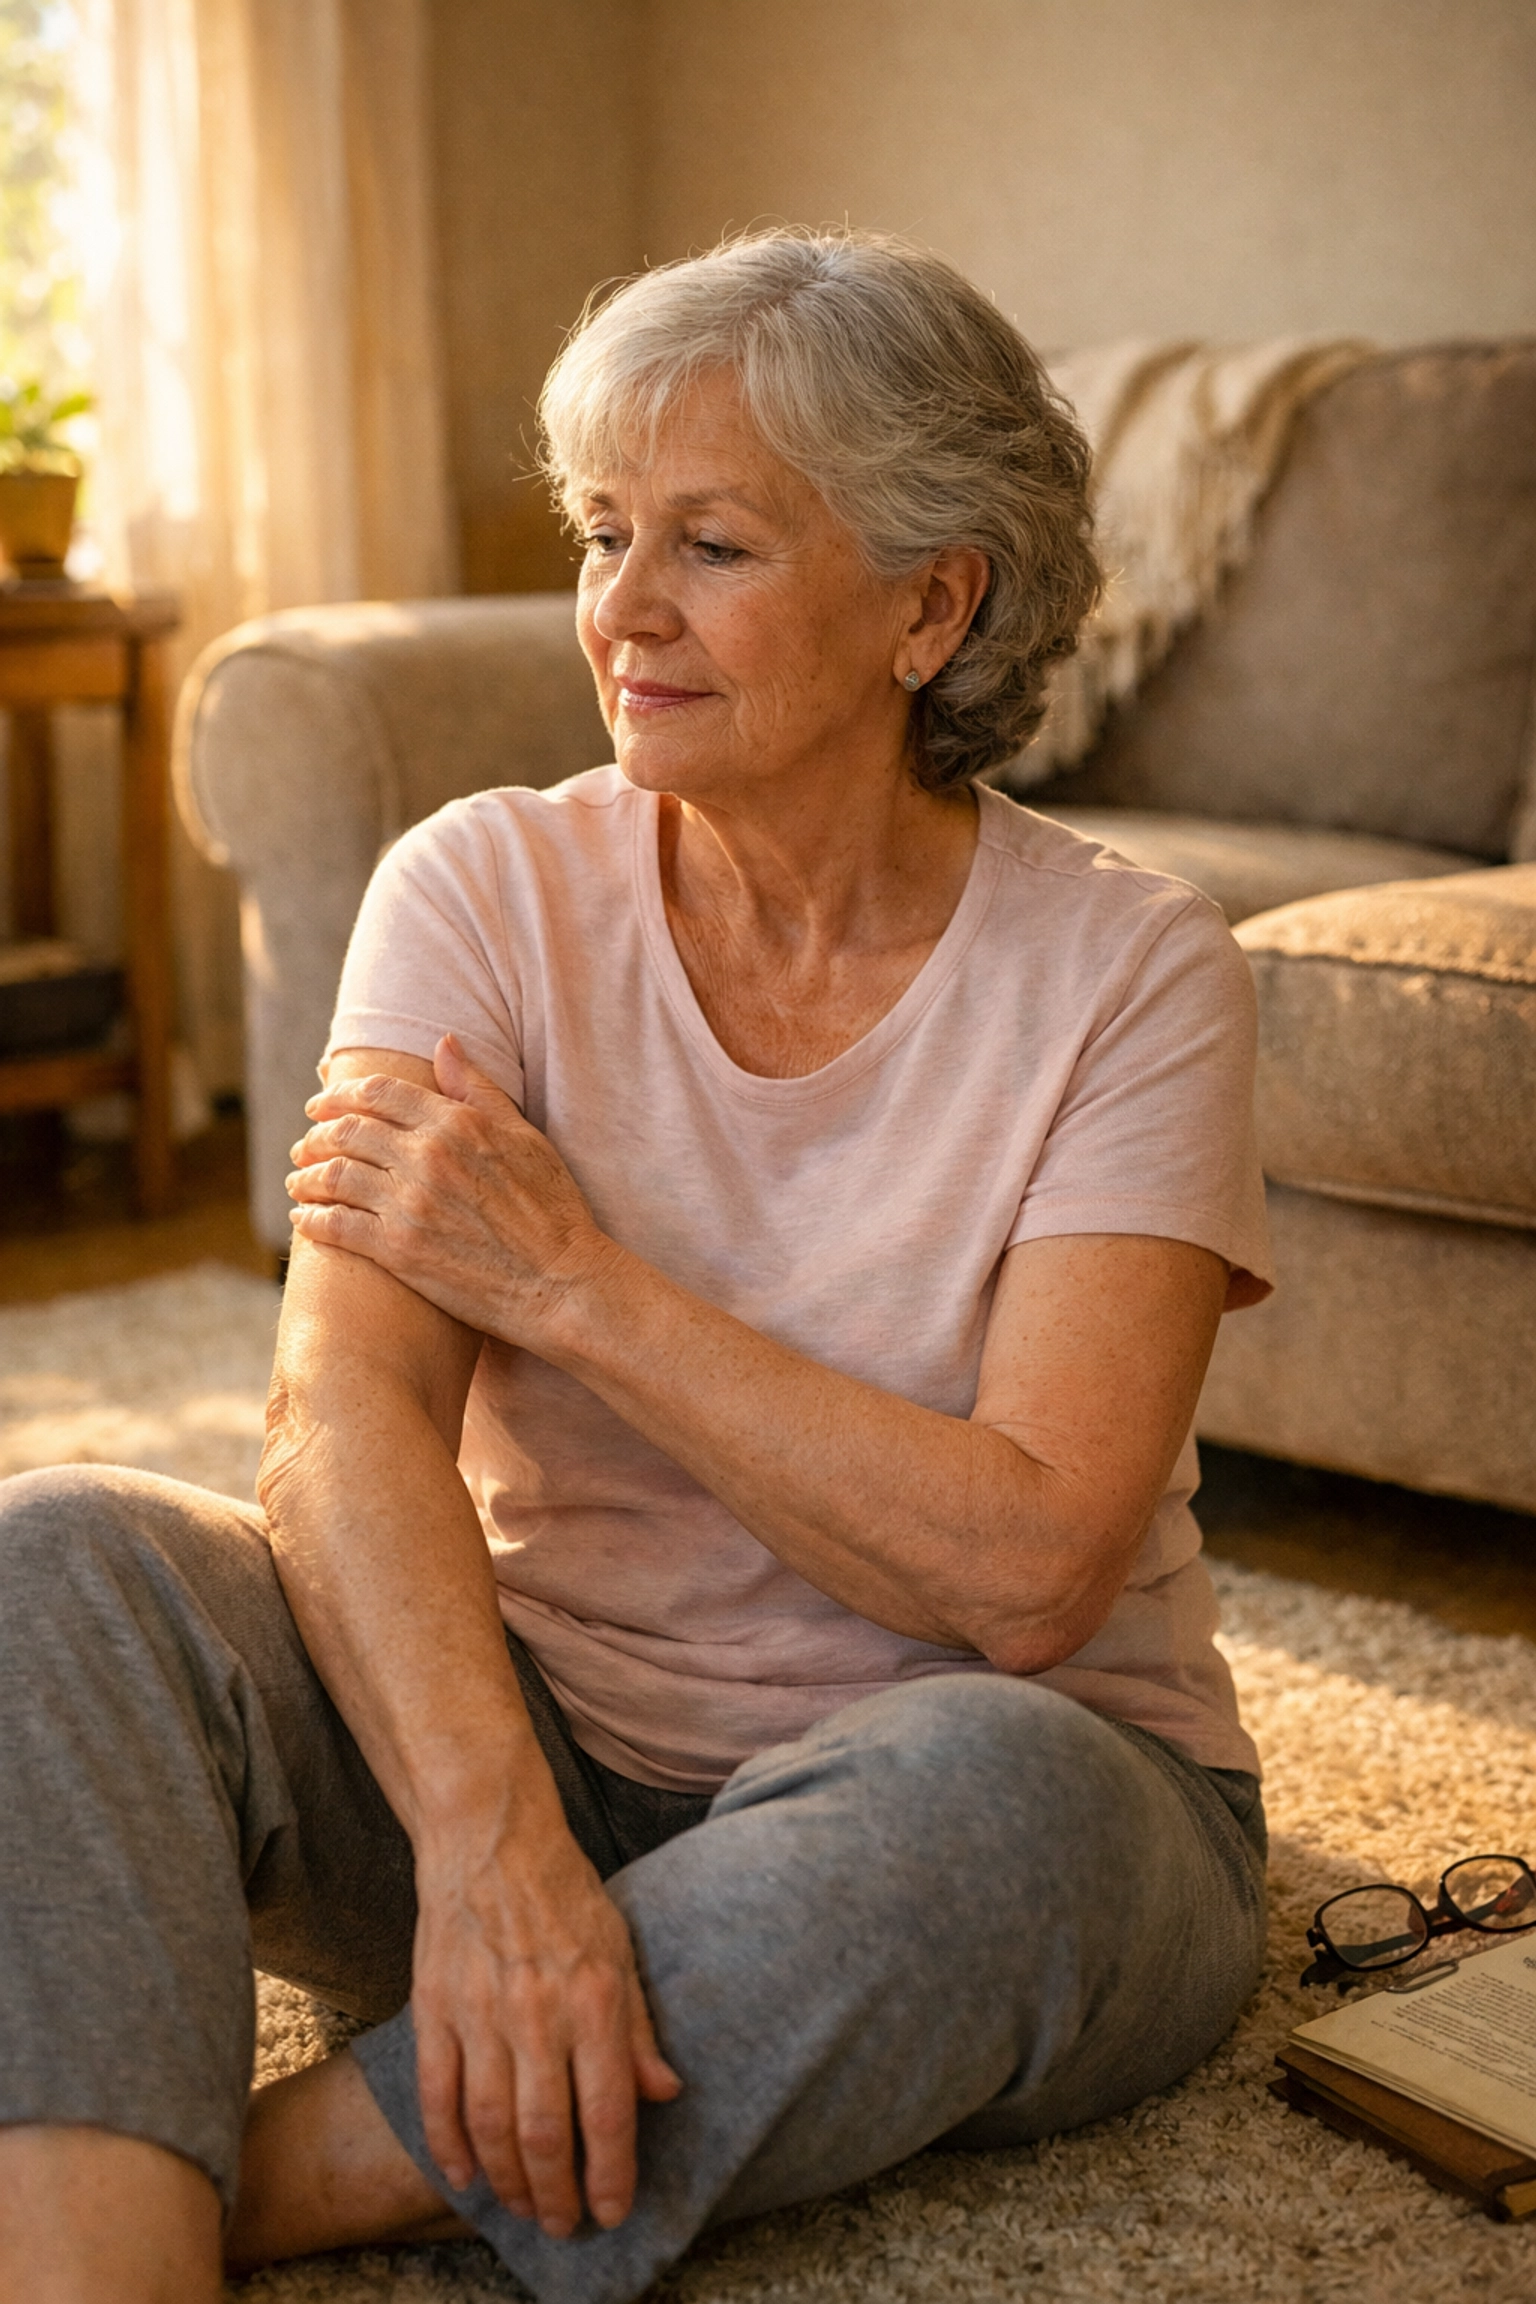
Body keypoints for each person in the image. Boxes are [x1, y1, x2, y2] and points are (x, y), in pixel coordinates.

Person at [0, 230, 1273, 2304]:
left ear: (931, 604)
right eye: (606, 534)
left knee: (996, 1796)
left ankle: (213, 2183)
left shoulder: (1134, 971)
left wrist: (576, 1282)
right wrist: (494, 1842)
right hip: (528, 1734)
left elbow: (1029, 1571)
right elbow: (345, 1420)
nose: (623, 611)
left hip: (998, 1788)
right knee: (54, 1555)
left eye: (713, 546)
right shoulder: (481, 887)